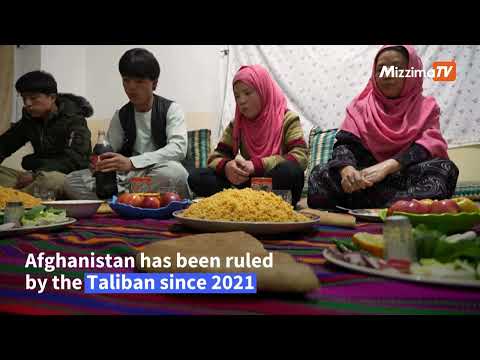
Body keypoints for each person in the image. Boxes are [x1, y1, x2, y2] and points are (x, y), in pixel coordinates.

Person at [308, 45, 459, 209]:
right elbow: (345, 145)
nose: (387, 75)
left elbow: (425, 148)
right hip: (364, 179)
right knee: (319, 174)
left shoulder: (427, 107)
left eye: (396, 69)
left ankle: (367, 204)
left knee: (445, 169)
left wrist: (386, 167)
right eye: (381, 69)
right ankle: (401, 206)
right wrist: (347, 170)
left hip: (403, 175)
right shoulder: (360, 106)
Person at [64, 48, 190, 199]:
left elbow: (178, 148)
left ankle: (121, 198)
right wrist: (99, 163)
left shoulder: (171, 109)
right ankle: (131, 197)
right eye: (126, 80)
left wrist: (132, 162)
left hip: (155, 172)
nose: (131, 87)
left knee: (175, 173)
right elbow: (109, 148)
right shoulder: (121, 115)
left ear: (154, 83)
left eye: (139, 81)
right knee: (71, 180)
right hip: (128, 177)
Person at [188, 64, 308, 206]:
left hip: (275, 182)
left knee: (290, 171)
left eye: (247, 93)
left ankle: (251, 200)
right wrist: (227, 168)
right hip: (247, 183)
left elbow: (300, 156)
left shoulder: (287, 118)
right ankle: (248, 200)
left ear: (263, 90)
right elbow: (215, 156)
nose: (241, 101)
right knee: (197, 176)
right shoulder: (237, 123)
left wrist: (257, 165)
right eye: (237, 96)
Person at [0, 70, 92, 199]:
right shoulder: (30, 119)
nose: (27, 104)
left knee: (53, 180)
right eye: (24, 98)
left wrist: (35, 174)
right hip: (37, 176)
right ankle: (17, 196)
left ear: (52, 97)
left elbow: (75, 159)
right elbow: (5, 145)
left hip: (67, 177)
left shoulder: (74, 119)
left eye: (33, 98)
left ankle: (13, 199)